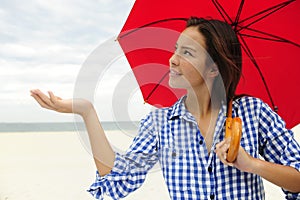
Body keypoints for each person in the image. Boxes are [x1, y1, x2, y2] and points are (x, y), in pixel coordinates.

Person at [30, 17, 300, 199]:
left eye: (188, 53)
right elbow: (115, 180)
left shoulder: (254, 113)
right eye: (175, 49)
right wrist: (87, 111)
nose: (172, 59)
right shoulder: (160, 122)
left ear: (214, 68)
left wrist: (251, 163)